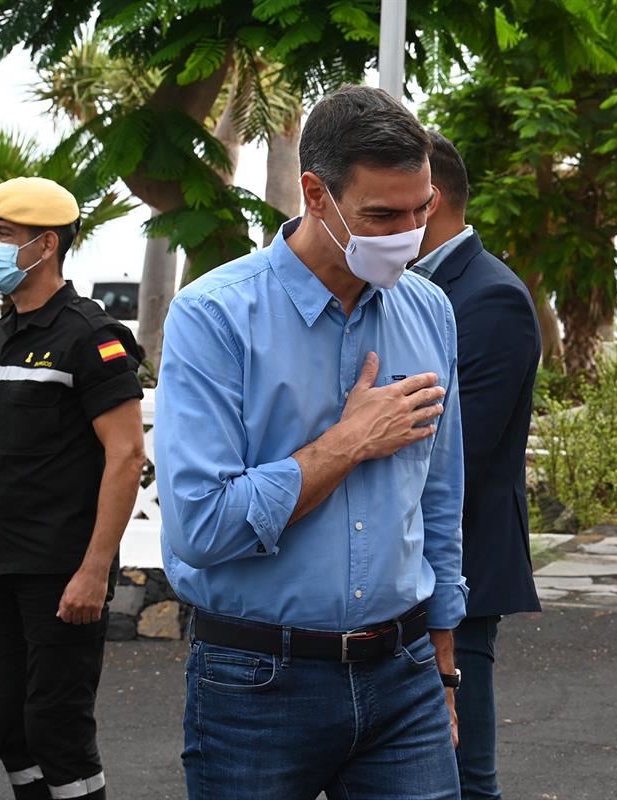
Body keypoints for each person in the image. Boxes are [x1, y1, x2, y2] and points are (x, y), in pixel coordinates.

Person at [155, 85, 467, 800]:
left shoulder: (430, 310)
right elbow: (200, 525)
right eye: (382, 216)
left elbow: (440, 494)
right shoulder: (215, 317)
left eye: (421, 211)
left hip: (406, 675)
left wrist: (442, 657)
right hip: (256, 682)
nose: (408, 235)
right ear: (314, 195)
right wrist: (347, 443)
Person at [0, 177, 147, 800]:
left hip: (63, 570)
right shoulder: (1, 335)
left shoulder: (88, 335)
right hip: (4, 566)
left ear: (45, 245)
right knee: (10, 730)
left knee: (56, 730)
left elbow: (127, 456)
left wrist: (94, 571)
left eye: (3, 235)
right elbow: (3, 461)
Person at [412, 131, 542, 800]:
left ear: (426, 200)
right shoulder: (409, 292)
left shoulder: (488, 296)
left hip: (458, 573)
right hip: (404, 574)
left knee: (461, 774)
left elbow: (456, 452)